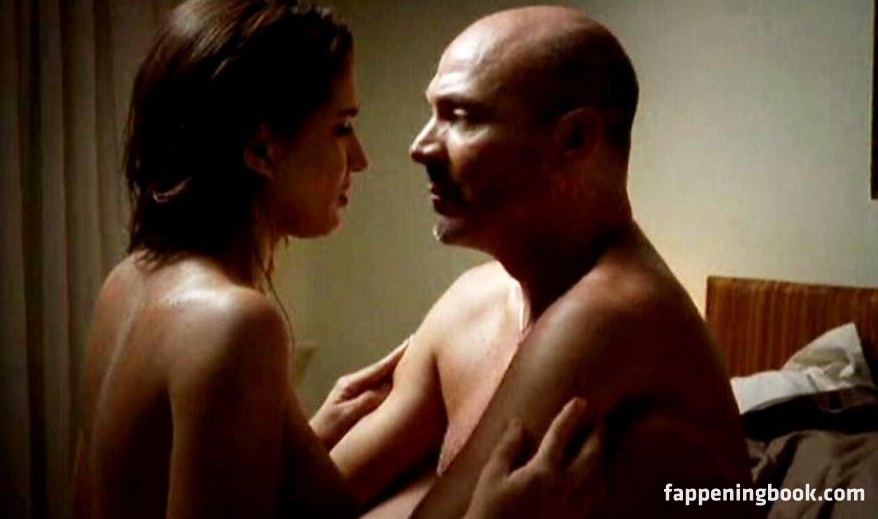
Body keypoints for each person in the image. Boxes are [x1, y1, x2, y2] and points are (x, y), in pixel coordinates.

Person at [71, 1, 603, 517]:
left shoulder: (130, 280)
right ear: (262, 151)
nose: (360, 158)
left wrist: (294, 437)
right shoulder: (235, 325)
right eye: (342, 126)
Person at [324, 6, 753, 518]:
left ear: (575, 140)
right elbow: (309, 505)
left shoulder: (613, 315)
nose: (420, 147)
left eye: (461, 117)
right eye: (433, 112)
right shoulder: (469, 302)